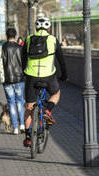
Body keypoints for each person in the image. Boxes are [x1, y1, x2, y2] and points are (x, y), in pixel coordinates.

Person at [22, 16, 68, 147]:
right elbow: (61, 61)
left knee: (29, 107)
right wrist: (64, 75)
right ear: (48, 27)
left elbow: (23, 59)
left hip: (31, 75)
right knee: (56, 93)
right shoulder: (53, 40)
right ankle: (48, 110)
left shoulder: (29, 39)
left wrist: (24, 73)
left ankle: (28, 137)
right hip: (48, 75)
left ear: (36, 27)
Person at [0, 28, 25, 135]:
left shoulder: (2, 48)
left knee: (11, 103)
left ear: (6, 35)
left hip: (7, 79)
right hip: (19, 78)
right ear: (15, 35)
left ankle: (15, 128)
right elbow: (24, 63)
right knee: (20, 102)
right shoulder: (20, 48)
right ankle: (22, 124)